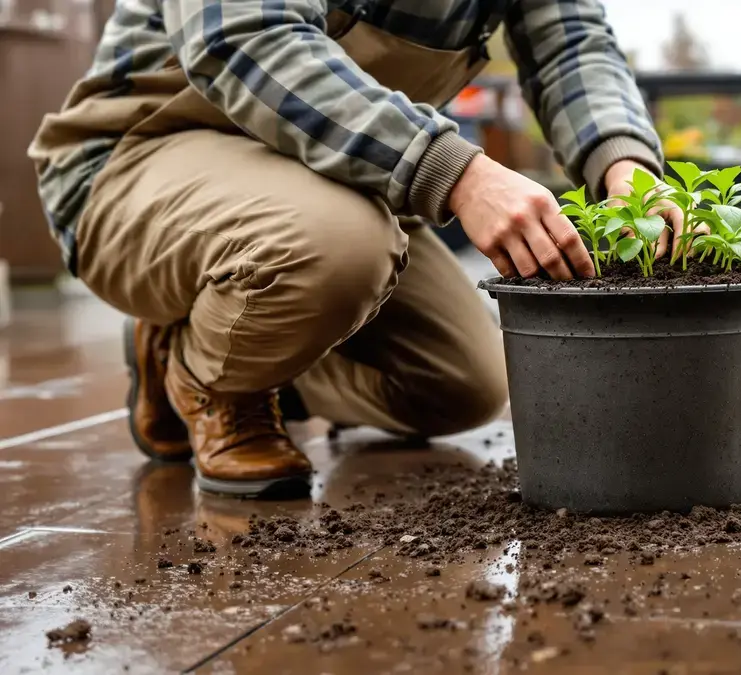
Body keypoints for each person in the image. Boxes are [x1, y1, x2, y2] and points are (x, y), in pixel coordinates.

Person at [29, 0, 680, 498]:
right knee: (336, 248)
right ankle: (212, 379)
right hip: (141, 155)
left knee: (460, 384)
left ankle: (225, 328)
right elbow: (243, 36)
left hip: (334, 173)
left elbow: (571, 45)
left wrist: (625, 166)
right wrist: (456, 171)